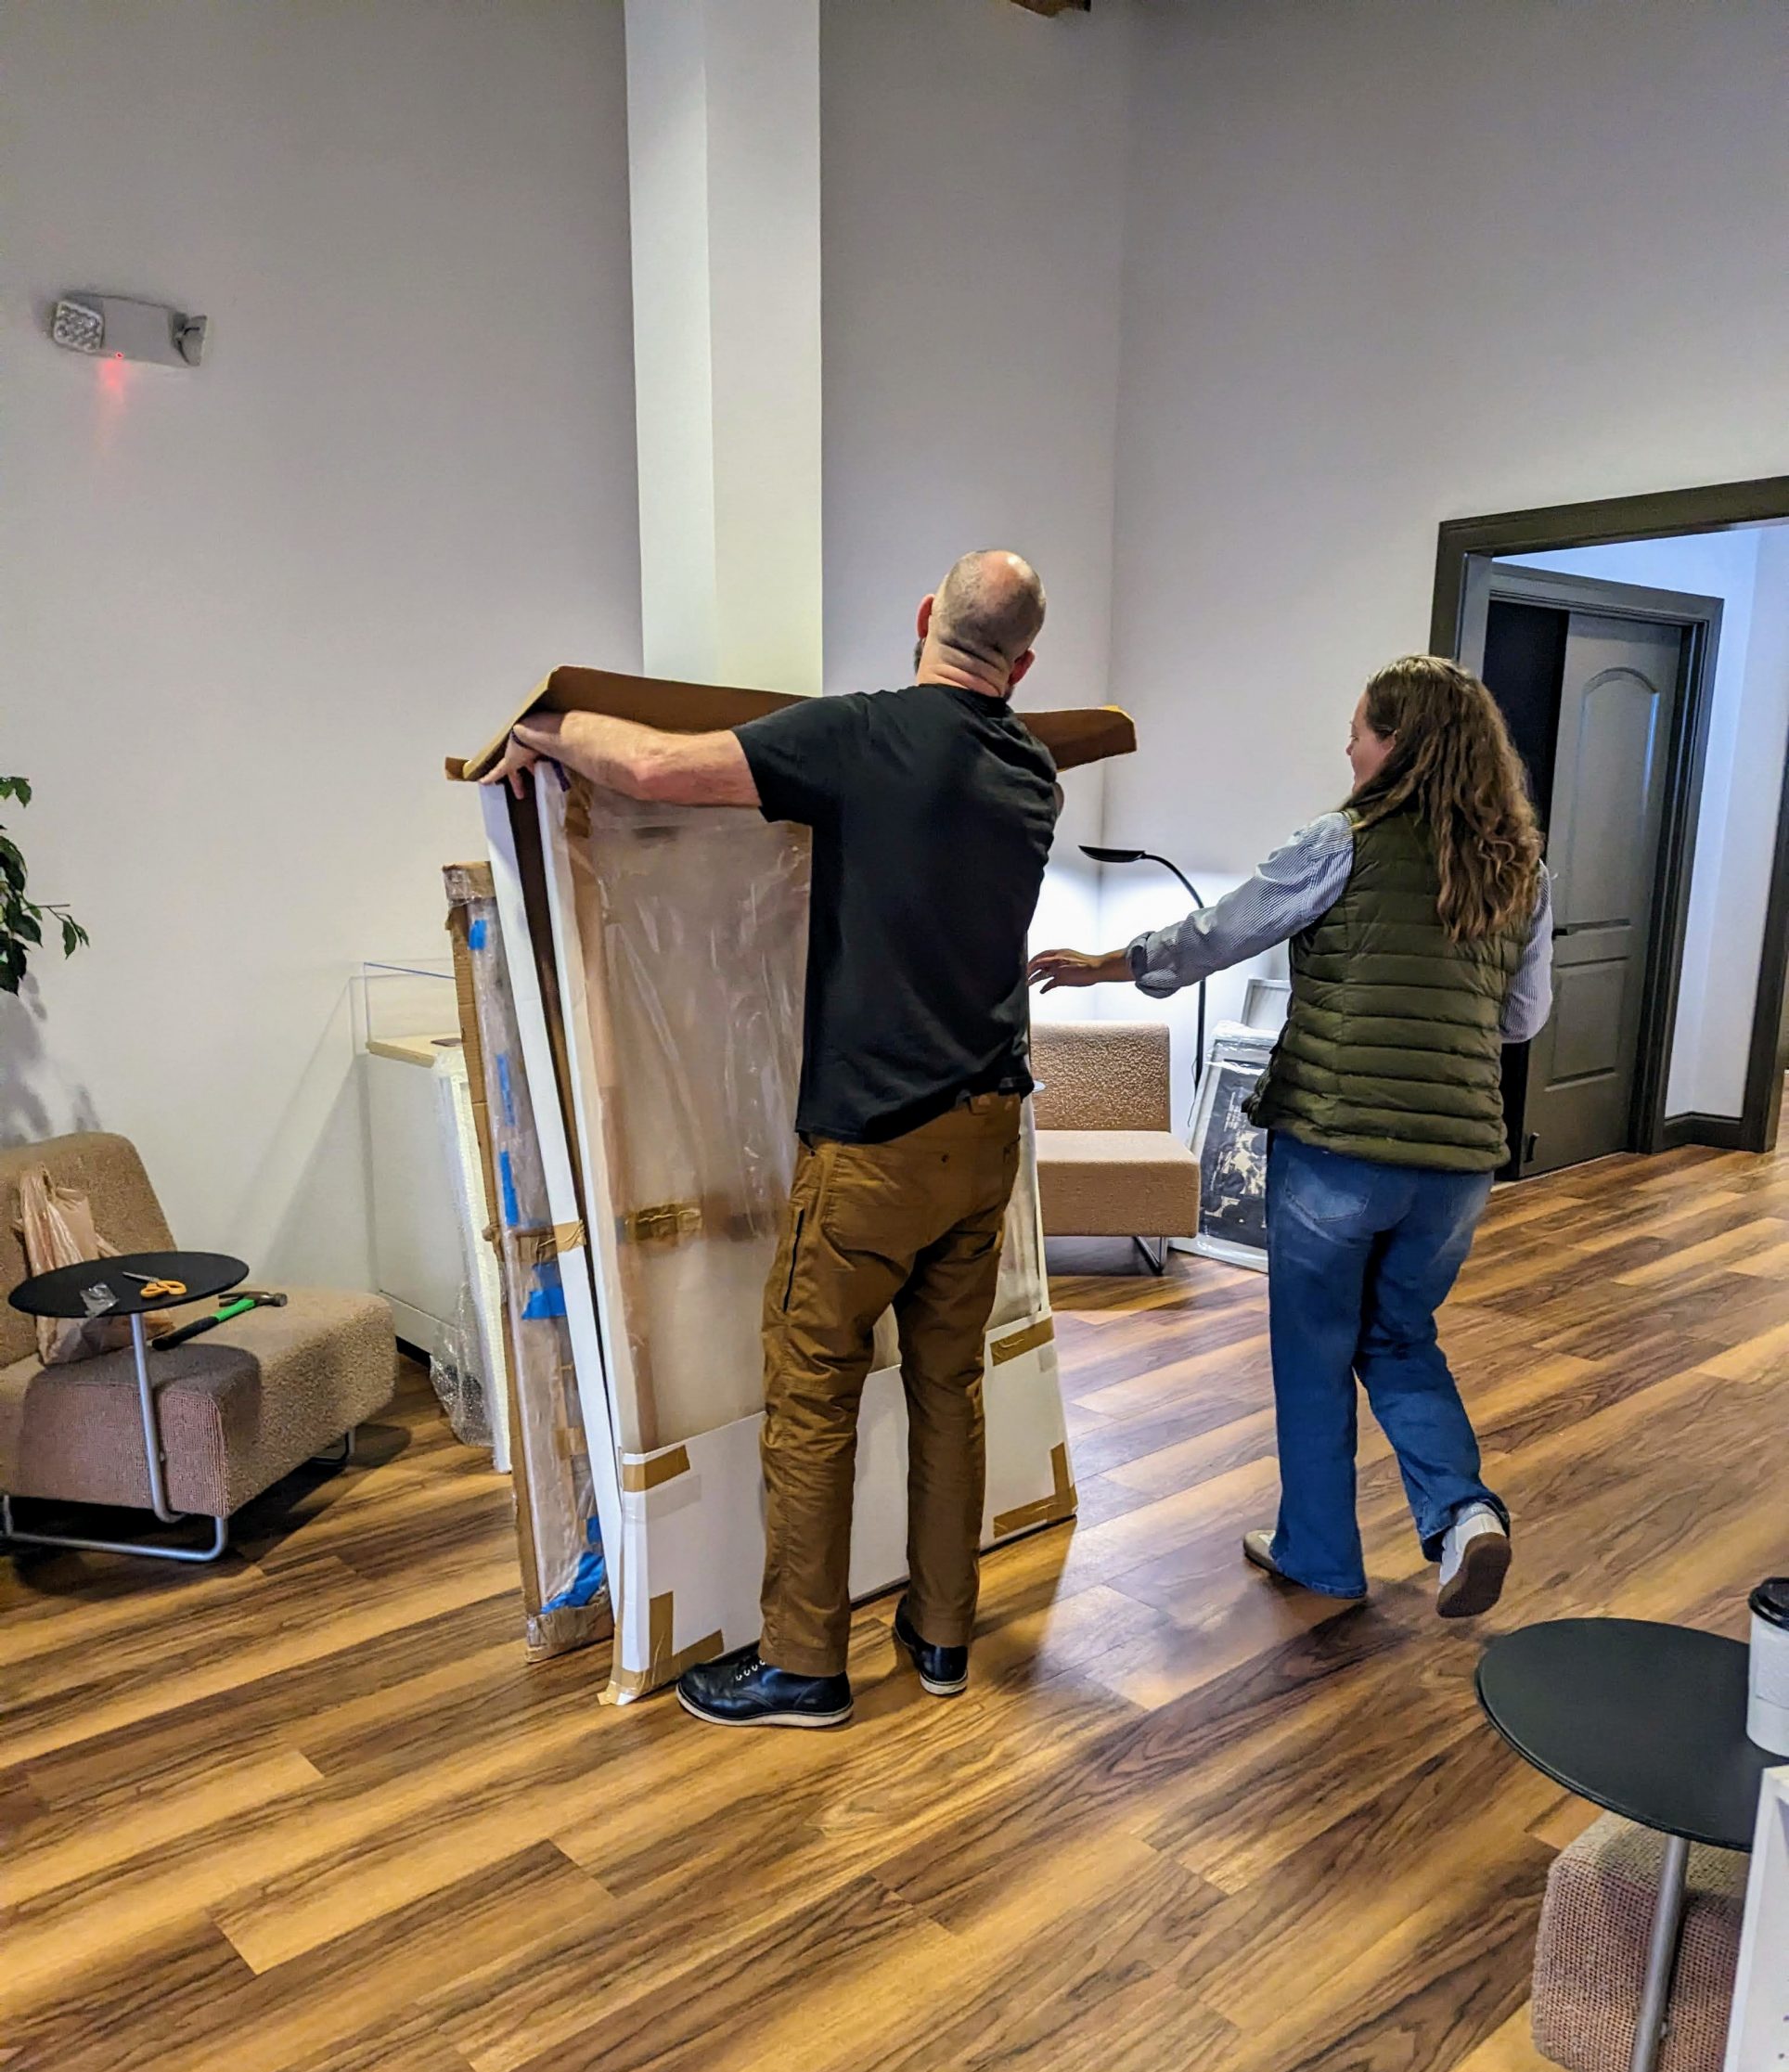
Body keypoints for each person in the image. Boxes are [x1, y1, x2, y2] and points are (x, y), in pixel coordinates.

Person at [483, 551, 1059, 1726]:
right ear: (1024, 664)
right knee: (949, 1386)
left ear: (920, 621)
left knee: (811, 1386)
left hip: (874, 1147)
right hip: (987, 1130)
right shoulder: (1034, 770)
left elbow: (649, 765)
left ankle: (802, 1663)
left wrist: (544, 726)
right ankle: (941, 1638)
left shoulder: (865, 737)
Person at [1030, 655, 1552, 1617]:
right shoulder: (1518, 869)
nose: (1346, 747)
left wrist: (1108, 964)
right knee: (1399, 1336)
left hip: (1336, 1142)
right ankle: (1462, 1512)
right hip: (1459, 1161)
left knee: (1313, 1345)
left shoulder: (1340, 840)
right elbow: (1520, 1017)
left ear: (1395, 744)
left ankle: (1318, 1550)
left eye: (1358, 730)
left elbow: (1217, 934)